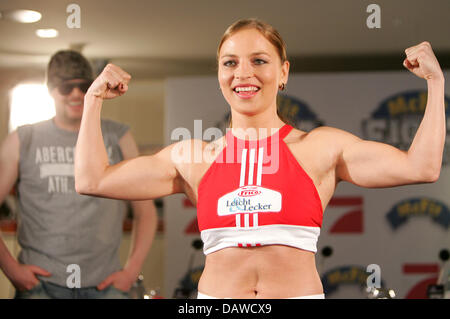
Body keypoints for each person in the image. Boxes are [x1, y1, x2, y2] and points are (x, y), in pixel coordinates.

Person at [74, 19, 446, 299]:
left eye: (259, 60)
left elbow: (422, 167)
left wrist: (435, 82)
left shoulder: (320, 148)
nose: (244, 73)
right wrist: (91, 102)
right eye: (230, 63)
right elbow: (92, 180)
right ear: (219, 75)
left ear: (283, 72)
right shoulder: (192, 157)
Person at [0, 50, 157, 299]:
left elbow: (145, 211)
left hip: (105, 285)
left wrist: (131, 271)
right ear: (51, 90)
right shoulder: (23, 139)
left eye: (83, 86)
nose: (75, 94)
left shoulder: (118, 136)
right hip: (40, 286)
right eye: (65, 88)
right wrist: (11, 269)